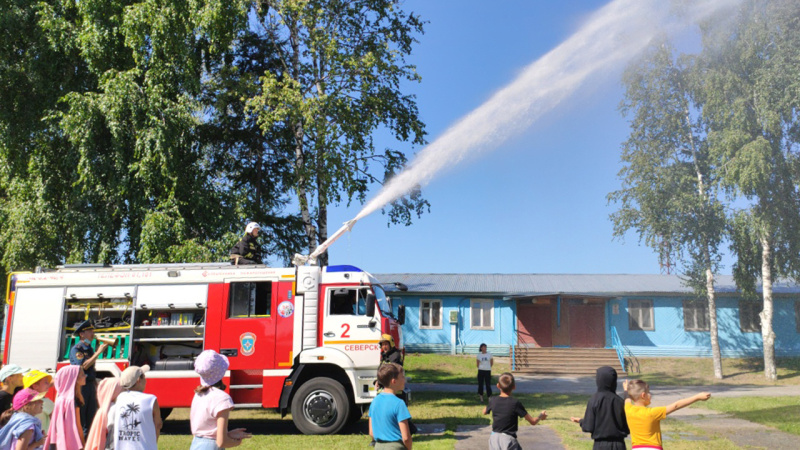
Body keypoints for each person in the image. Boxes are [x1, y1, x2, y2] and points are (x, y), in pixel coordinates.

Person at [623, 379, 711, 450]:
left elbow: (627, 398)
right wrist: (697, 397)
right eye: (648, 392)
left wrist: (626, 390)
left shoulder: (628, 409)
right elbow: (676, 405)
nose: (650, 395)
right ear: (643, 395)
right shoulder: (652, 413)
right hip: (654, 448)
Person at [190, 350, 251, 449]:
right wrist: (237, 442)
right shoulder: (222, 398)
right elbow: (221, 442)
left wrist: (229, 434)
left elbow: (204, 433)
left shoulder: (198, 395)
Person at [569, 366, 629, 450]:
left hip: (600, 445)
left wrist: (581, 421)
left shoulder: (594, 400)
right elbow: (627, 426)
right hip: (619, 445)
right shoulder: (620, 401)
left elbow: (588, 427)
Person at [483, 372, 547, 450]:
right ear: (514, 387)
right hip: (508, 440)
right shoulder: (515, 403)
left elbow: (484, 412)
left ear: (498, 386)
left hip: (494, 439)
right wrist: (541, 416)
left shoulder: (493, 400)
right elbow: (533, 422)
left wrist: (490, 404)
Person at [69, 320, 110, 435]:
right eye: (89, 331)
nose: (92, 333)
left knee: (91, 415)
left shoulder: (89, 348)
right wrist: (98, 353)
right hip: (82, 386)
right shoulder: (77, 349)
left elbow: (91, 368)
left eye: (92, 331)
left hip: (90, 385)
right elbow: (84, 365)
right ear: (82, 334)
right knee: (82, 416)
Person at [111, 366, 161, 450]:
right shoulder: (151, 400)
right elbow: (158, 424)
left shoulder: (119, 398)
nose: (146, 380)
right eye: (144, 377)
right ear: (138, 380)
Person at [368, 363, 412, 450]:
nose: (404, 380)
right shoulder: (399, 403)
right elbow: (406, 437)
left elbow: (371, 433)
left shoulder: (374, 401)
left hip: (378, 447)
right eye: (402, 377)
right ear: (394, 381)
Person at [44, 365, 86, 450]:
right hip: (71, 444)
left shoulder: (60, 399)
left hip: (58, 442)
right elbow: (78, 427)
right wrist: (84, 444)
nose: (85, 376)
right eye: (82, 375)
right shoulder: (73, 401)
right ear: (74, 379)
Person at [85, 377, 121, 450]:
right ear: (115, 392)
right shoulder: (114, 408)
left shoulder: (102, 409)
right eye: (122, 389)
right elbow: (111, 432)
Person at [22, 370, 55, 437]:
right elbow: (55, 420)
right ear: (35, 386)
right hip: (42, 438)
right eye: (46, 382)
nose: (49, 384)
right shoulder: (45, 402)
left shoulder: (23, 401)